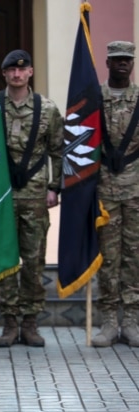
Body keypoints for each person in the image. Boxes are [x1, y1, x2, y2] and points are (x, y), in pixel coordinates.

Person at [0, 50, 64, 348]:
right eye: (11, 70)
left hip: (36, 195)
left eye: (22, 70)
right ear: (5, 74)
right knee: (6, 260)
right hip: (2, 195)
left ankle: (31, 322)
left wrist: (54, 187)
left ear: (31, 72)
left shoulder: (47, 108)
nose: (17, 75)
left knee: (34, 261)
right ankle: (9, 322)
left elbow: (58, 150)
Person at [92, 41, 139, 347]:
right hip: (104, 189)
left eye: (127, 60)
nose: (122, 64)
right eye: (116, 59)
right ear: (107, 63)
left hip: (136, 189)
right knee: (108, 258)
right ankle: (109, 321)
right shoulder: (94, 99)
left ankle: (132, 320)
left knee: (134, 257)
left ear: (132, 64)